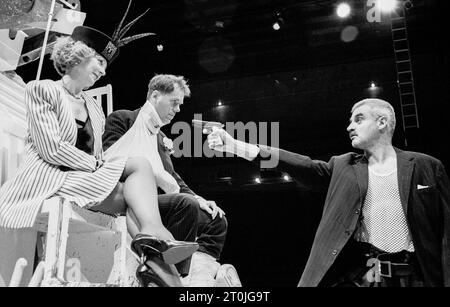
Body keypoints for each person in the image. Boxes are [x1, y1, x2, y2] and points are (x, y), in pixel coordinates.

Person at [0, 6, 198, 287]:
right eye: (100, 63)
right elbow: (51, 149)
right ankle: (158, 256)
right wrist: (97, 166)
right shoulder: (42, 89)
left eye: (106, 66)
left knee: (135, 185)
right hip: (49, 177)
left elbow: (98, 155)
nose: (103, 73)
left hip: (81, 179)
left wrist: (100, 165)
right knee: (136, 176)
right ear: (79, 55)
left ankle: (156, 257)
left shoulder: (93, 106)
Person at [207, 98, 450, 287]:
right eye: (350, 121)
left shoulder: (426, 166)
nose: (349, 126)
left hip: (421, 275)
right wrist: (235, 146)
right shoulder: (344, 166)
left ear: (382, 122)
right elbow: (300, 165)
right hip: (369, 274)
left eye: (358, 119)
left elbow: (446, 231)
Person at [102, 74, 241, 287]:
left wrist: (199, 197)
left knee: (216, 221)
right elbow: (111, 161)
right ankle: (172, 275)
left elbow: (172, 177)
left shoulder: (160, 137)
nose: (177, 110)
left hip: (161, 203)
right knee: (184, 204)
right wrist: (189, 199)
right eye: (174, 102)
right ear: (155, 95)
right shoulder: (123, 118)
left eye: (180, 105)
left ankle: (199, 277)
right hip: (132, 197)